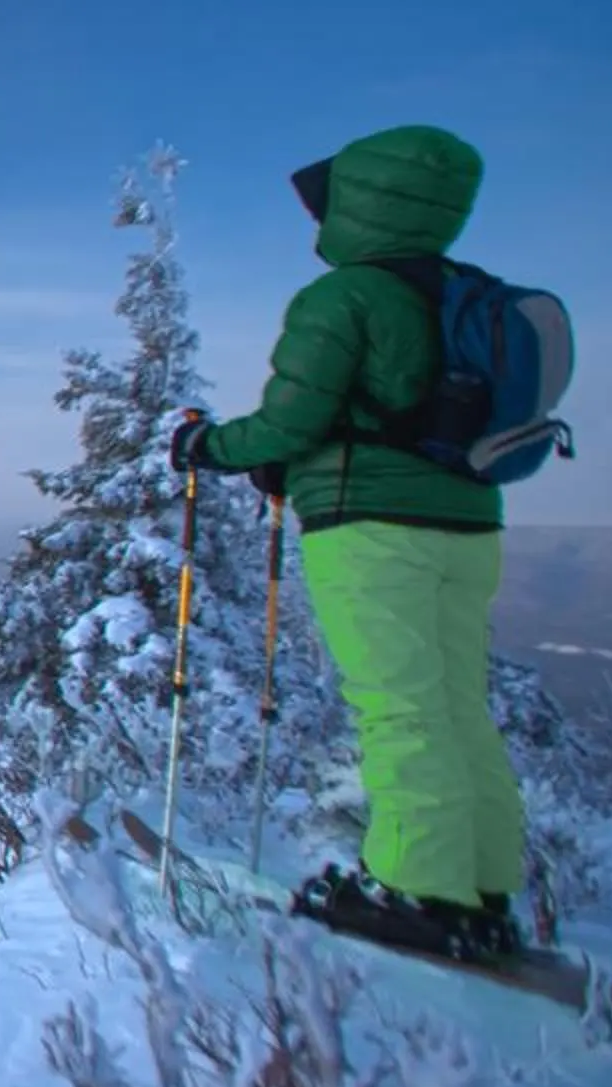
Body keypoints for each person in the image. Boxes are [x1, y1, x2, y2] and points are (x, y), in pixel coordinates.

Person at [172, 124, 526, 959]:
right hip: (470, 526)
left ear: (363, 204)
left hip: (371, 531)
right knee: (455, 706)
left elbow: (292, 419)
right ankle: (481, 888)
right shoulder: (467, 295)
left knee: (399, 707)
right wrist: (294, 456)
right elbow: (386, 418)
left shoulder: (344, 298)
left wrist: (206, 446)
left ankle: (418, 889)